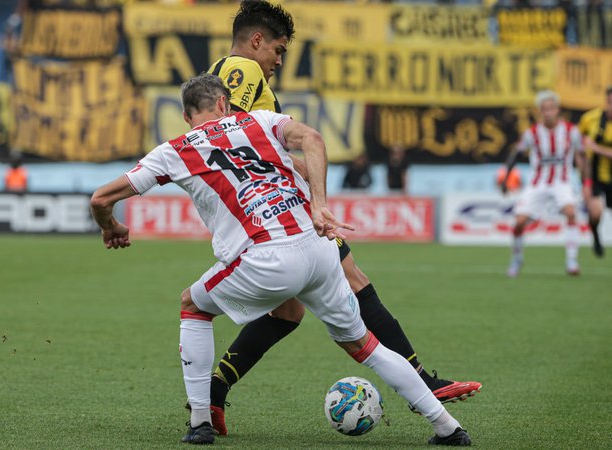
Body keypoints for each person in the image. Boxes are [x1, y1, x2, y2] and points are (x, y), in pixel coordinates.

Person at [90, 73, 472, 446]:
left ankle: (200, 421)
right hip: (320, 248)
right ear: (224, 103)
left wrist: (111, 227)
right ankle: (448, 428)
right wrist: (320, 205)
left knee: (193, 305)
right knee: (367, 346)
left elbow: (101, 199)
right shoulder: (259, 120)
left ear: (188, 116)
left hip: (266, 259)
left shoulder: (177, 148)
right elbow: (313, 139)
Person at [205, 0, 480, 436]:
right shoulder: (242, 68)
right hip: (270, 208)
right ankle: (424, 383)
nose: (278, 61)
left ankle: (213, 391)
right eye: (277, 50)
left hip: (259, 205)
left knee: (288, 312)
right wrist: (298, 177)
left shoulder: (232, 71)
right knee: (354, 280)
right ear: (256, 40)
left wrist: (287, 164)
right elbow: (222, 132)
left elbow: (235, 138)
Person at [502, 90, 585, 277]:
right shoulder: (531, 133)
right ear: (540, 111)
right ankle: (517, 258)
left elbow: (581, 156)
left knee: (571, 212)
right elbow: (516, 153)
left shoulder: (572, 131)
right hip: (537, 183)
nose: (548, 112)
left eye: (551, 108)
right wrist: (506, 177)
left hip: (561, 182)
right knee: (519, 223)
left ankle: (572, 260)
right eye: (544, 109)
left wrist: (585, 182)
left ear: (558, 110)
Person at [578, 86, 612, 258]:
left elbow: (593, 147)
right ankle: (596, 236)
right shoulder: (590, 119)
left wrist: (597, 148)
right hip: (596, 177)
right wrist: (584, 182)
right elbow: (580, 149)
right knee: (595, 213)